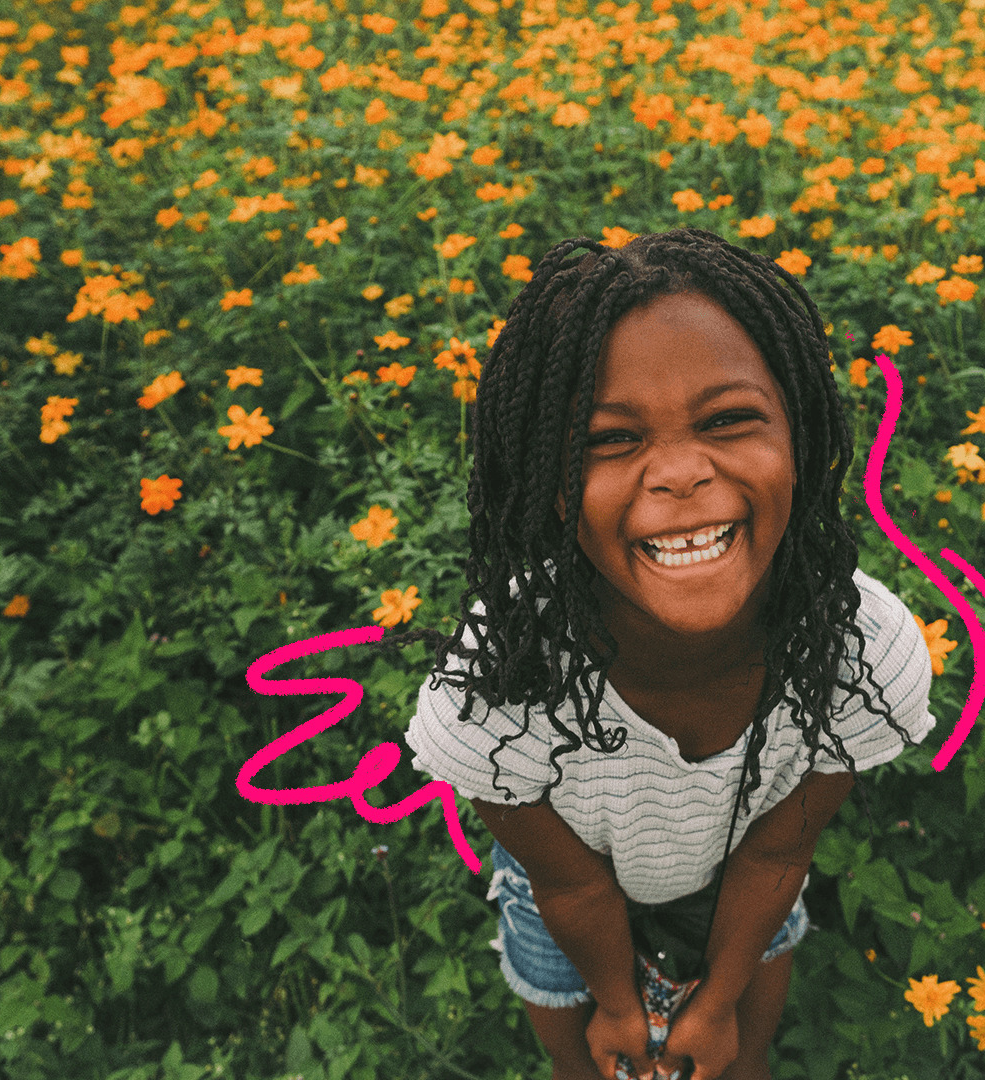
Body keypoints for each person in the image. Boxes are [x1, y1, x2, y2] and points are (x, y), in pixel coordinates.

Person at [386, 227, 936, 1080]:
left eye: (728, 420)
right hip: (561, 904)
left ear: (805, 435)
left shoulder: (859, 654)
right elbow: (573, 887)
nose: (680, 473)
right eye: (611, 440)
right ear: (546, 481)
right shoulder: (499, 691)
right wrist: (617, 1004)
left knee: (739, 1064)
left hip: (744, 886)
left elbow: (779, 853)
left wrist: (713, 1007)